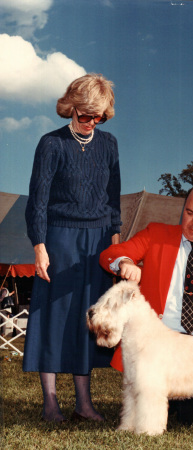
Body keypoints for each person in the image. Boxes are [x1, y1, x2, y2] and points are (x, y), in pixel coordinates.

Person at [100, 183, 193, 425]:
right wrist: (125, 262)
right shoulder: (155, 234)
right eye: (189, 212)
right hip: (156, 347)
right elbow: (111, 254)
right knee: (145, 408)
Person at [23, 73, 122, 423]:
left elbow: (113, 201)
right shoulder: (51, 144)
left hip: (96, 244)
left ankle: (84, 402)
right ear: (71, 108)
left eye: (98, 116)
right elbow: (38, 201)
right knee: (52, 317)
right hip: (59, 239)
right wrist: (39, 246)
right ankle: (50, 402)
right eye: (84, 115)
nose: (91, 122)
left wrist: (114, 243)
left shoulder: (109, 144)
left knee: (87, 320)